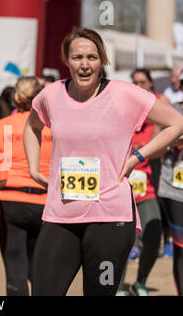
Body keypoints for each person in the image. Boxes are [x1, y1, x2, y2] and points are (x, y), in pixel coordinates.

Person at [23, 27, 183, 296]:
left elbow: (177, 122)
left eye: (92, 57)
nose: (84, 65)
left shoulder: (124, 93)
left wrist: (137, 157)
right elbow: (32, 126)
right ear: (66, 60)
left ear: (102, 61)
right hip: (61, 214)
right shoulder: (51, 95)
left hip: (111, 217)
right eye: (77, 58)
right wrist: (33, 167)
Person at [0, 76, 50, 296]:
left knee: (15, 269)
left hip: (11, 200)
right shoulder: (51, 126)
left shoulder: (2, 126)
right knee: (43, 270)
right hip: (46, 201)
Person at [115, 68, 165, 296]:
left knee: (153, 237)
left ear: (151, 85)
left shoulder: (156, 116)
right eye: (135, 82)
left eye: (143, 82)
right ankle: (117, 287)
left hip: (147, 190)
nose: (139, 86)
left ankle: (141, 281)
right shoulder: (122, 114)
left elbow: (161, 143)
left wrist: (154, 106)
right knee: (121, 242)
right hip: (120, 190)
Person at [156, 70, 183, 296]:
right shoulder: (173, 111)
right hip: (176, 189)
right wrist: (173, 139)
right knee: (181, 248)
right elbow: (156, 146)